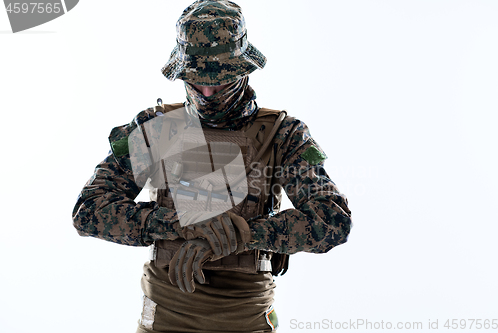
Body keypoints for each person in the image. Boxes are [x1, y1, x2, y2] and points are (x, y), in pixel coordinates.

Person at [72, 0, 352, 332]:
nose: (207, 90)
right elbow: (88, 211)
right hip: (166, 315)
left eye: (220, 81)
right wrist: (177, 224)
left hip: (245, 316)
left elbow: (333, 220)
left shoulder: (283, 136)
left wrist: (243, 236)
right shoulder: (159, 128)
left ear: (244, 69)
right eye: (195, 80)